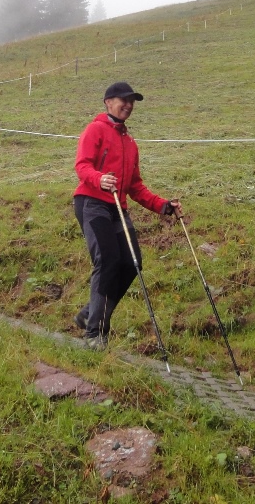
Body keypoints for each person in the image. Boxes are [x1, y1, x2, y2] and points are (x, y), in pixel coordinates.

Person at [73, 81, 181, 350]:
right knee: (108, 260)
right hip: (91, 202)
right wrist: (99, 179)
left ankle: (90, 313)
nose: (129, 105)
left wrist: (163, 206)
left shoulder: (130, 143)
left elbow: (135, 187)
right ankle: (95, 333)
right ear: (108, 102)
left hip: (117, 208)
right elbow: (82, 166)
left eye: (132, 101)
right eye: (124, 100)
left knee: (132, 264)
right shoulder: (95, 129)